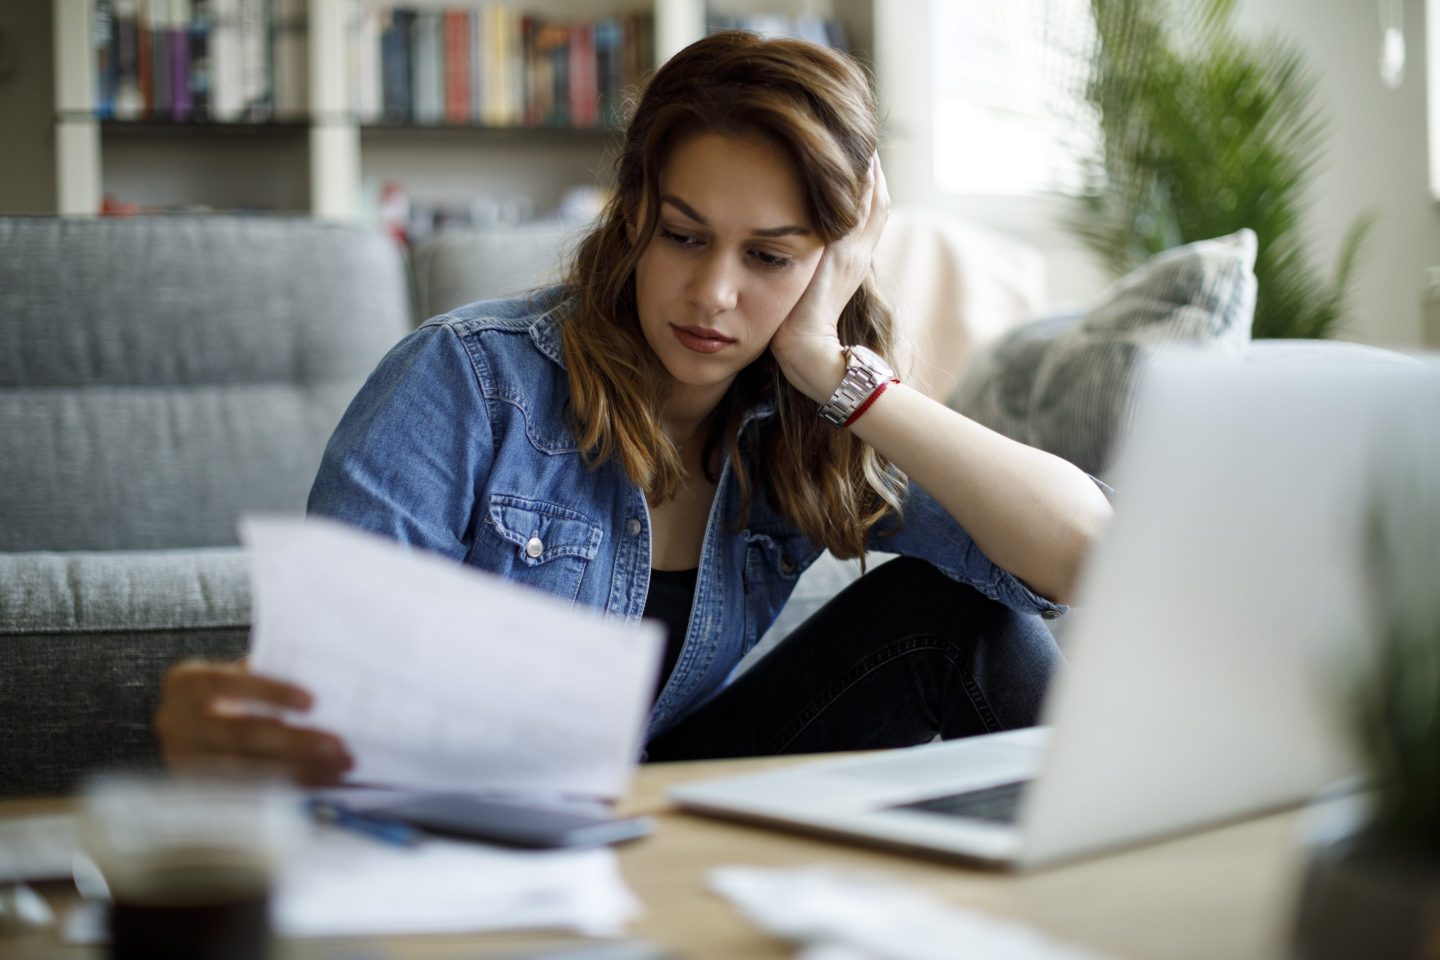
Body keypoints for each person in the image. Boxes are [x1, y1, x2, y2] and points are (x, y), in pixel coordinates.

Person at [154, 31, 1113, 786]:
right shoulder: (465, 381)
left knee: (955, 621)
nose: (712, 294)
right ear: (634, 216)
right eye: (684, 236)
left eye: (770, 257)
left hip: (667, 796)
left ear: (837, 261)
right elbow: (324, 686)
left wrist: (834, 368)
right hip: (474, 815)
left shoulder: (805, 417)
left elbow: (1084, 554)